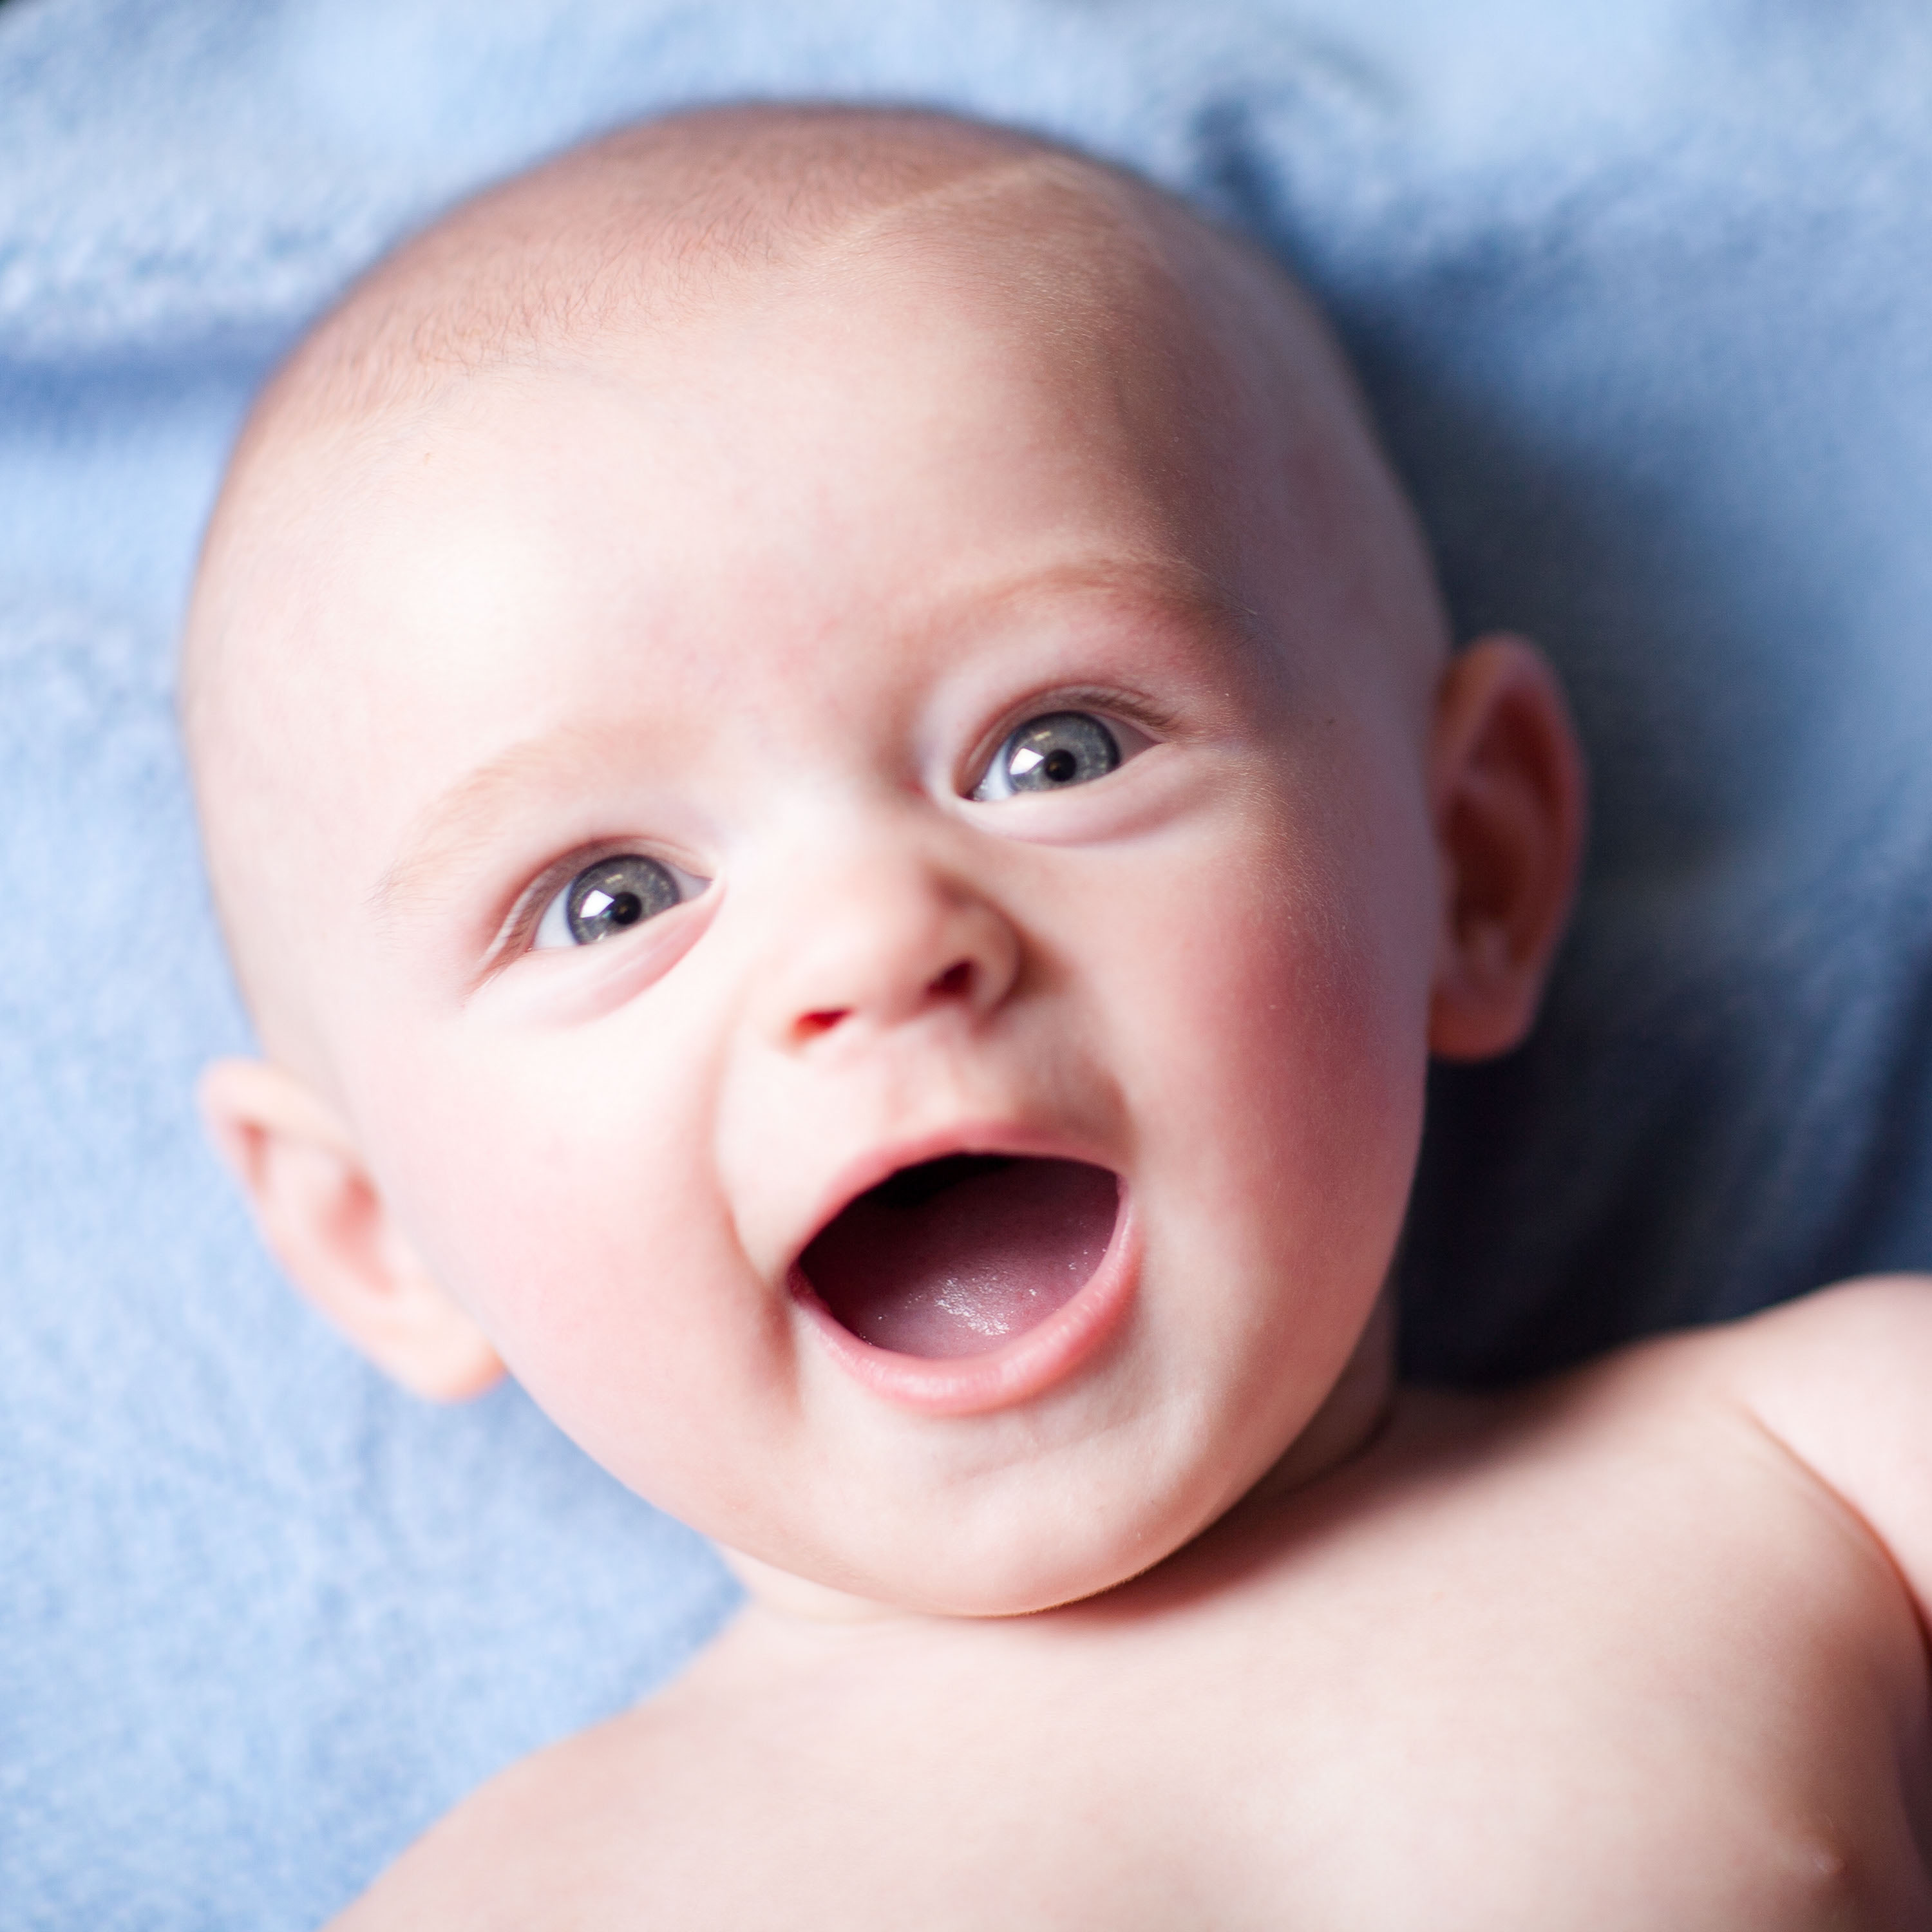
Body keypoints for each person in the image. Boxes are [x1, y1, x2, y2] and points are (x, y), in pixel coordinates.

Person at [181, 103, 1932, 1926]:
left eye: (1055, 750)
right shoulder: (513, 1899)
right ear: (375, 1226)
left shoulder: (1830, 1476)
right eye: (610, 899)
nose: (876, 939)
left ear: (1466, 865)